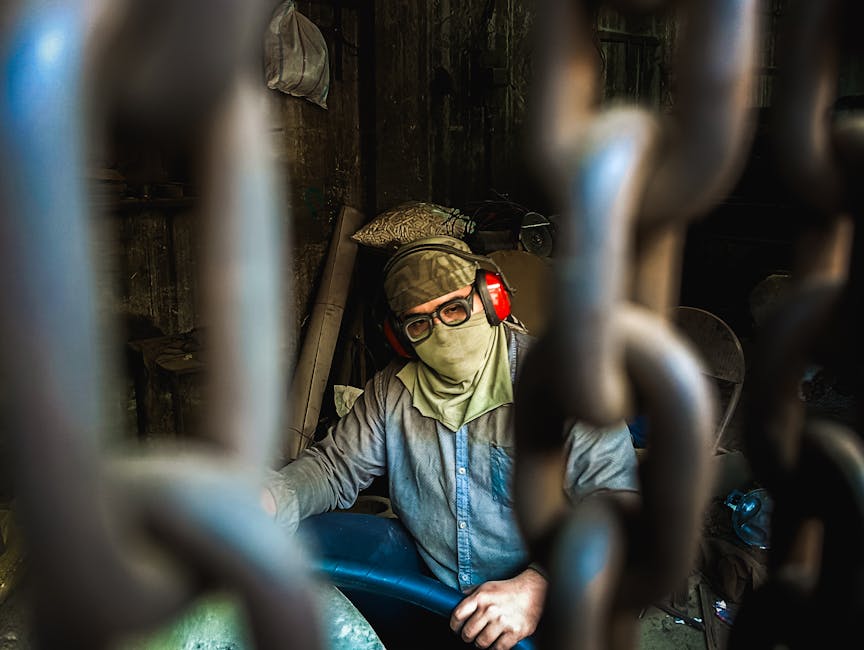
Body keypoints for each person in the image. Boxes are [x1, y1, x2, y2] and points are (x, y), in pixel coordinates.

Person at [261, 235, 640, 650]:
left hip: (544, 602)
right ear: (400, 337)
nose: (441, 333)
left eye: (454, 309)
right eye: (420, 323)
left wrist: (537, 587)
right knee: (311, 535)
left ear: (491, 299)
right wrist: (278, 496)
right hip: (437, 594)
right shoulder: (392, 390)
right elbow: (334, 468)